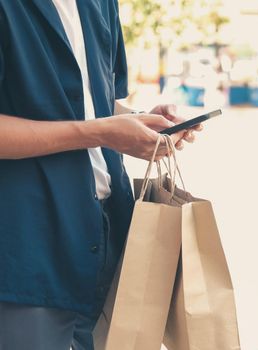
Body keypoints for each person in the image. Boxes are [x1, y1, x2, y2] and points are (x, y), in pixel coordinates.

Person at [0, 1, 201, 349]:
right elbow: (95, 125)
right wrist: (101, 133)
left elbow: (96, 102)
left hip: (111, 232)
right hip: (26, 246)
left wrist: (142, 120)